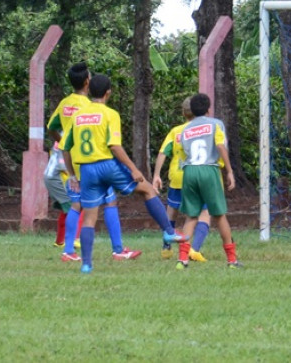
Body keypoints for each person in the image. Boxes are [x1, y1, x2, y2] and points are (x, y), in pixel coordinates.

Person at [62, 74, 189, 273]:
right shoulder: (110, 114)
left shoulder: (77, 115)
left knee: (89, 218)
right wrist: (134, 168)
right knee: (147, 190)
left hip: (86, 170)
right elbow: (114, 146)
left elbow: (65, 147)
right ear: (108, 93)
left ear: (89, 91)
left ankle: (86, 264)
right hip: (107, 165)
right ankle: (168, 232)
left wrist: (71, 174)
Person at [47, 62, 139, 262]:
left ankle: (68, 250)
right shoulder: (90, 107)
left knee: (76, 204)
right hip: (91, 162)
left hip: (70, 159)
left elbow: (51, 127)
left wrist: (60, 140)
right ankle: (118, 249)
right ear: (88, 82)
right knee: (110, 201)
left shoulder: (65, 103)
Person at [174, 93, 242, 270]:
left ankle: (182, 259)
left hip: (189, 170)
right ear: (208, 109)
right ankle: (232, 260)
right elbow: (220, 145)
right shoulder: (215, 124)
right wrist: (229, 170)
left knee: (191, 216)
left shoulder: (185, 130)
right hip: (209, 169)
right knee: (219, 215)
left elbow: (182, 153)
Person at [152, 96, 211, 262]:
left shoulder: (176, 131)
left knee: (171, 211)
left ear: (183, 113)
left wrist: (156, 175)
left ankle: (166, 246)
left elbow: (163, 152)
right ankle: (194, 249)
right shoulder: (205, 129)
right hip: (197, 176)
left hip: (177, 178)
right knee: (204, 213)